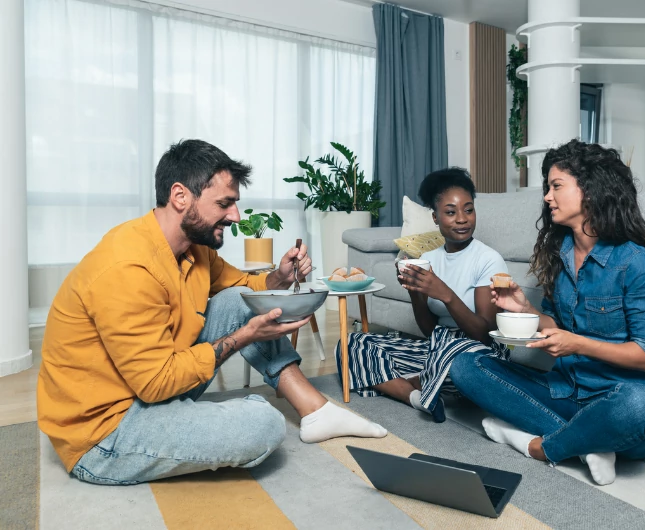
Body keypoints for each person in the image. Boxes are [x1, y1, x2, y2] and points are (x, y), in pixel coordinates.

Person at [37, 139, 386, 485]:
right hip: (105, 433)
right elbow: (155, 383)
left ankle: (316, 411)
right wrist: (243, 338)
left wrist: (279, 276)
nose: (235, 216)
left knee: (237, 300)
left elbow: (244, 287)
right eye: (224, 203)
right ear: (180, 196)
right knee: (263, 423)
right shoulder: (128, 268)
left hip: (148, 390)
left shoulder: (193, 248)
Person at [449, 140, 645, 486]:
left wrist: (578, 344)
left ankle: (540, 446)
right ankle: (588, 444)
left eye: (556, 186)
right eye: (548, 187)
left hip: (617, 400)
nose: (547, 197)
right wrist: (525, 309)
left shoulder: (637, 264)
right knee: (465, 365)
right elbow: (554, 326)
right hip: (563, 393)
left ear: (591, 190)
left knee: (643, 408)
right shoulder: (560, 255)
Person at [335, 168, 509, 423]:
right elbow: (429, 331)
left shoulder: (488, 260)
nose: (462, 219)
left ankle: (412, 378)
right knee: (351, 344)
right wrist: (415, 293)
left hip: (475, 352)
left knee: (458, 358)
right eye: (451, 212)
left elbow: (485, 334)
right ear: (435, 218)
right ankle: (416, 396)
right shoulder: (428, 259)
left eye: (468, 210)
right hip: (437, 346)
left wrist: (446, 294)